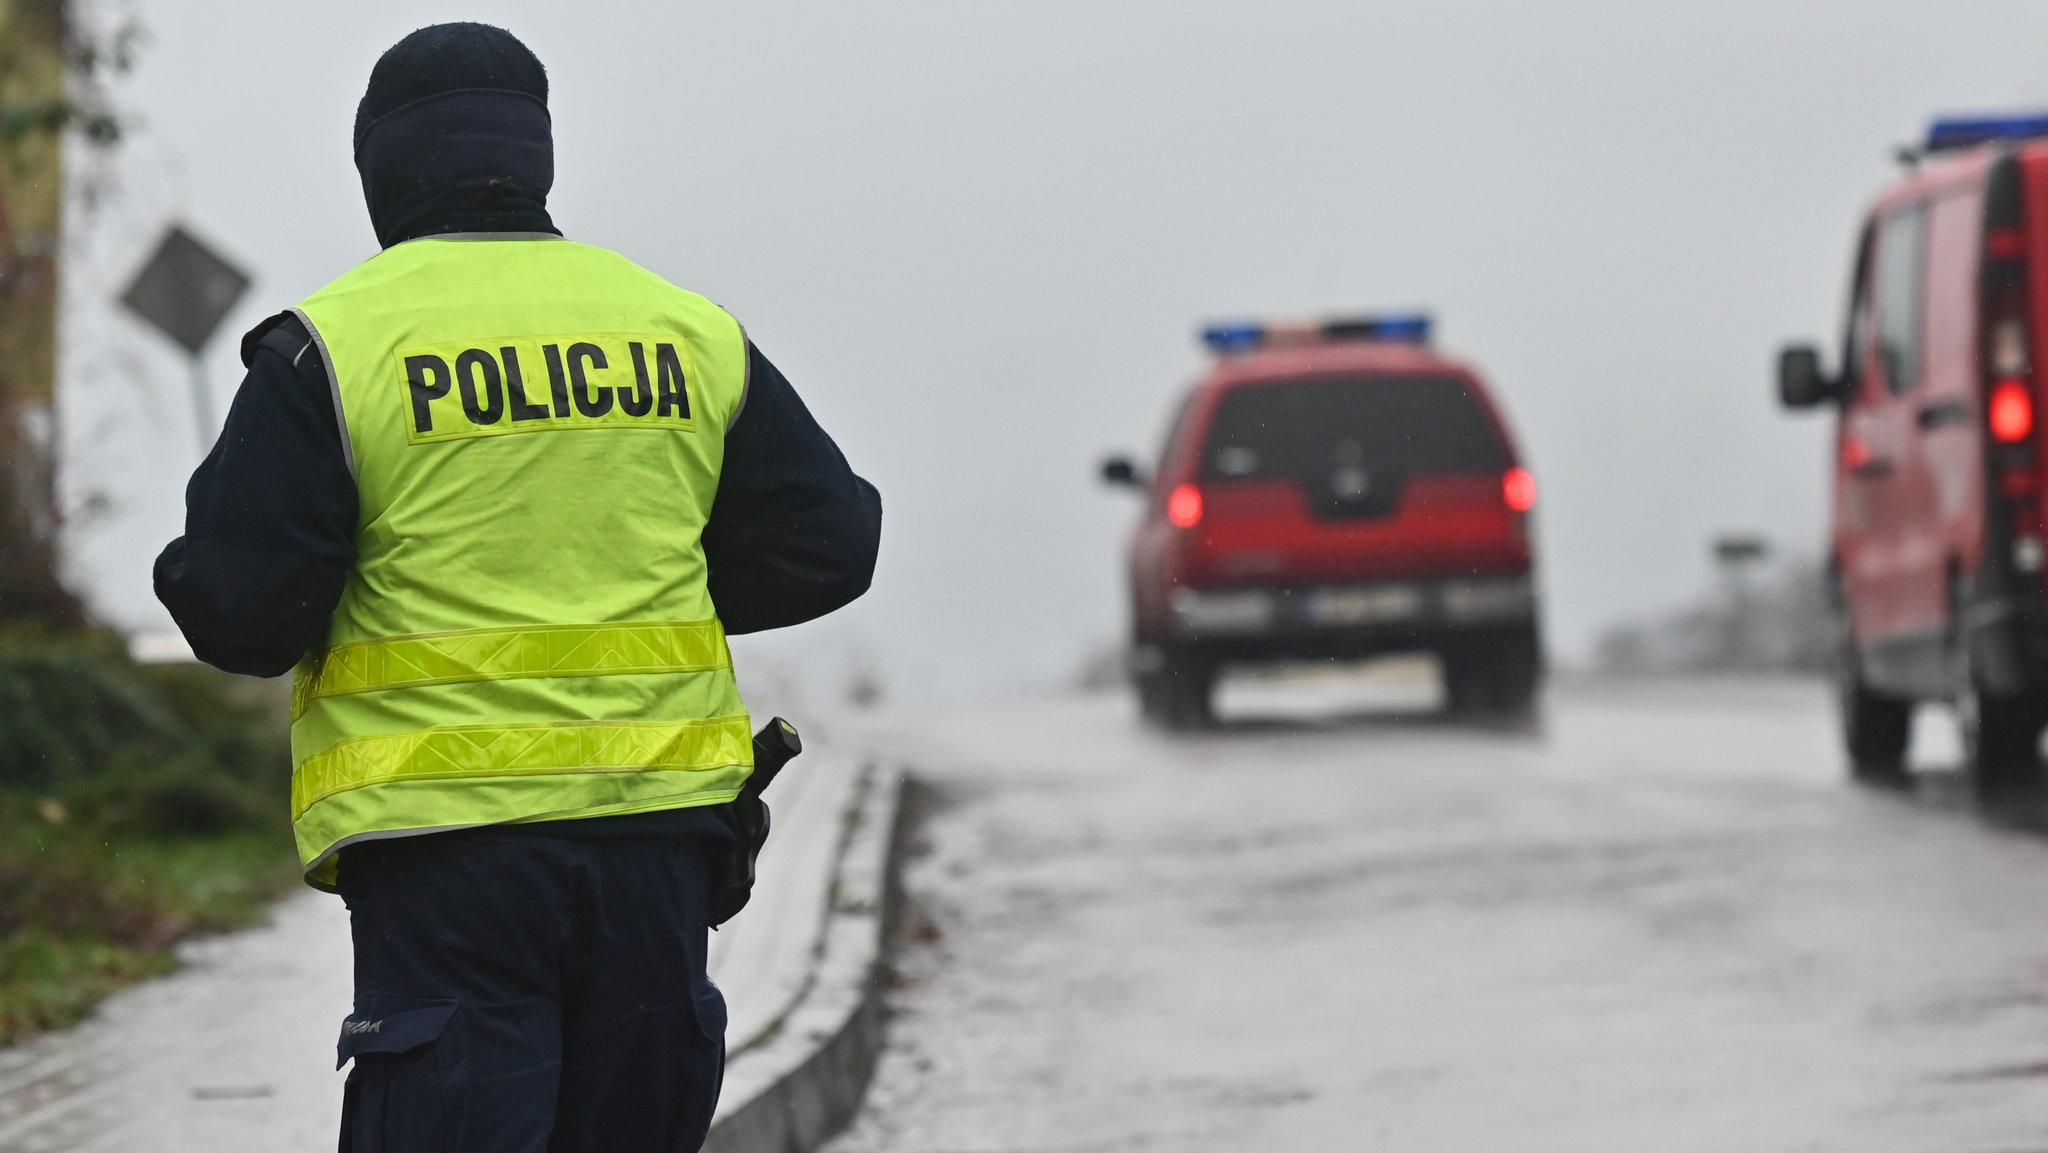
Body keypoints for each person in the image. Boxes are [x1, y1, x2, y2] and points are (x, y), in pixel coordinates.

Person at [152, 22, 881, 1153]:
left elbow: (240, 611)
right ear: (535, 155)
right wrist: (643, 577)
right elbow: (831, 542)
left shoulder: (331, 351)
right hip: (658, 850)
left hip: (449, 863)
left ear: (379, 169)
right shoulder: (682, 331)